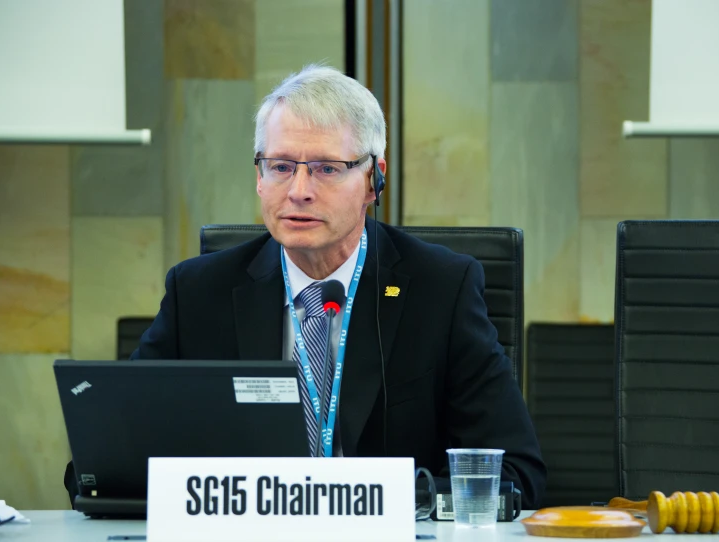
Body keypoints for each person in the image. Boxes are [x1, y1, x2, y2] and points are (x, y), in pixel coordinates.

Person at [64, 65, 546, 508]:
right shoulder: (198, 293)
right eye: (280, 166)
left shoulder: (441, 289)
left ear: (374, 181)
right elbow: (103, 467)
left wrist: (369, 500)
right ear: (259, 178)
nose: (298, 190)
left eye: (325, 168)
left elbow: (516, 474)